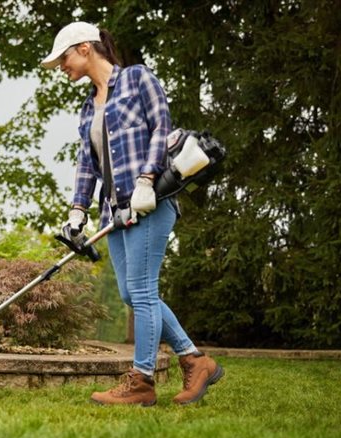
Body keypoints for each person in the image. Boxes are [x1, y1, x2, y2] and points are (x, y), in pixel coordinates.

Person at [41, 22, 223, 406]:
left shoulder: (137, 78)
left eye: (65, 58)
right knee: (132, 292)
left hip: (150, 201)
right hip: (116, 211)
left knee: (141, 291)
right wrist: (78, 210)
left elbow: (161, 127)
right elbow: (86, 163)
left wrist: (146, 179)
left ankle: (141, 382)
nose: (62, 67)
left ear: (86, 48)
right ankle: (195, 359)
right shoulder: (89, 104)